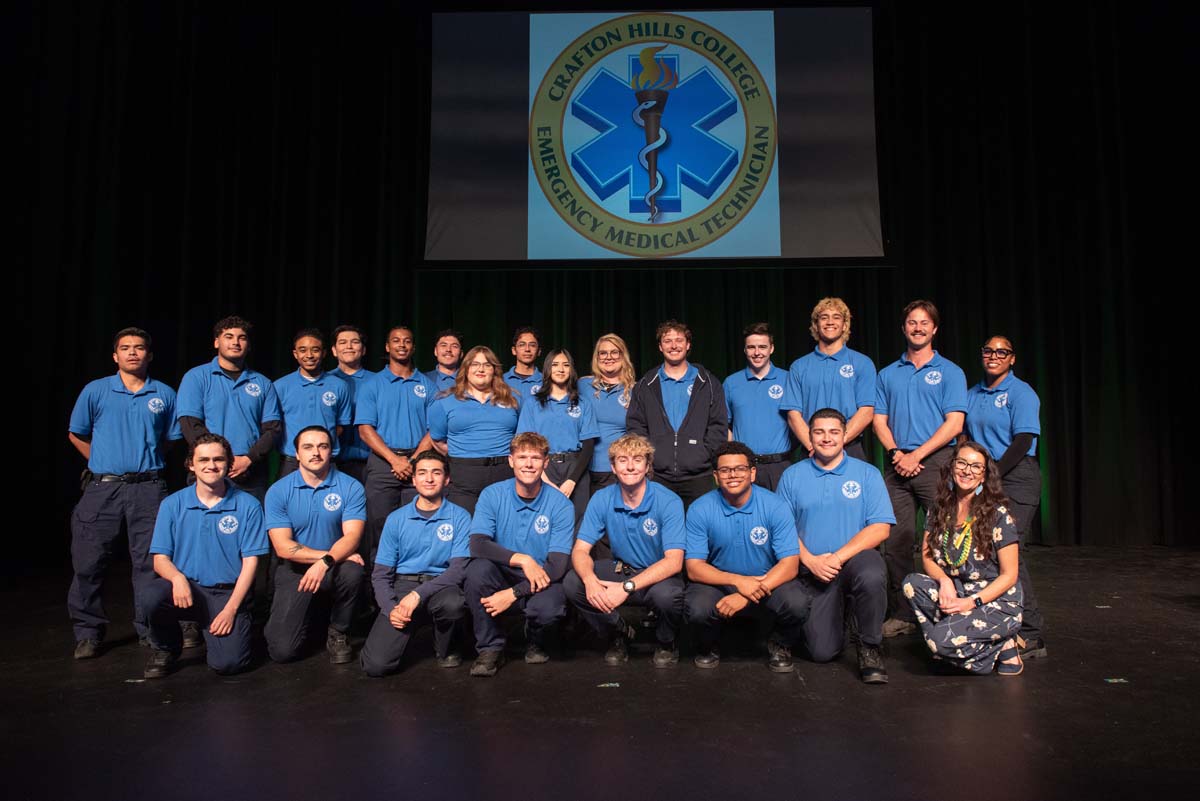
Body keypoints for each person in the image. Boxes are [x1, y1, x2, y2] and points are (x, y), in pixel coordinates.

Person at [67, 327, 182, 659]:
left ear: (149, 355)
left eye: (140, 347)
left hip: (148, 488)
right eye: (125, 348)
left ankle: (149, 628)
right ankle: (88, 632)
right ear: (115, 356)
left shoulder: (164, 393)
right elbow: (76, 433)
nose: (133, 352)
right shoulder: (96, 390)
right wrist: (102, 461)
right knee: (88, 562)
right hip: (103, 489)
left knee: (149, 563)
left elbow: (171, 438)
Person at [777, 409, 894, 684]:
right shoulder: (792, 476)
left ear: (844, 435)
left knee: (872, 573)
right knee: (821, 652)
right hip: (813, 568)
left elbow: (880, 527)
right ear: (810, 436)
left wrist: (838, 558)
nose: (826, 438)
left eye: (833, 432)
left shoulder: (867, 473)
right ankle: (840, 616)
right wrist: (810, 560)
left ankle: (870, 648)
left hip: (854, 561)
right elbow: (782, 530)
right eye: (819, 432)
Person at [873, 300, 968, 637]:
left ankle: (951, 607)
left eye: (924, 323)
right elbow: (878, 420)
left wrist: (919, 456)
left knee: (945, 539)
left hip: (937, 463)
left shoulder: (951, 372)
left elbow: (954, 423)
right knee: (896, 541)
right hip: (898, 463)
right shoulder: (887, 374)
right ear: (904, 328)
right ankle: (903, 613)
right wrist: (897, 452)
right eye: (911, 322)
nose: (917, 328)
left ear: (934, 329)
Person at [142, 434, 268, 678]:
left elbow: (251, 564)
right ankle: (166, 648)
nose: (211, 465)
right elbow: (160, 560)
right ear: (191, 464)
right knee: (150, 596)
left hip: (226, 594)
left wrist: (231, 609)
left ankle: (217, 630)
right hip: (187, 590)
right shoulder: (172, 504)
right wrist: (178, 579)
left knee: (229, 664)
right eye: (204, 460)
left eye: (219, 459)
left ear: (229, 464)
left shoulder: (248, 505)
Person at [902, 441, 1025, 676]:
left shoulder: (997, 514)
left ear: (983, 476)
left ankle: (1000, 643)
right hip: (960, 590)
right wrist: (944, 581)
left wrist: (972, 602)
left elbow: (1010, 576)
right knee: (912, 584)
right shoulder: (938, 508)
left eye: (976, 467)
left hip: (995, 601)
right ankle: (988, 643)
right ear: (952, 466)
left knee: (937, 643)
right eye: (962, 463)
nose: (967, 470)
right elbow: (927, 556)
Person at [683, 442, 808, 672]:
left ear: (752, 473)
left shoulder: (775, 505)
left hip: (767, 581)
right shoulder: (700, 508)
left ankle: (779, 643)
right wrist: (738, 582)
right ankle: (709, 643)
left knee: (797, 603)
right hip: (722, 582)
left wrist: (748, 593)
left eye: (740, 469)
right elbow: (693, 567)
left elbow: (790, 565)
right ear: (715, 476)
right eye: (725, 470)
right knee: (697, 607)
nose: (733, 475)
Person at [565, 434, 685, 667]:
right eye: (622, 460)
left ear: (648, 465)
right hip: (623, 570)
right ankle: (617, 633)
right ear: (613, 466)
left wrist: (626, 588)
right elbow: (580, 550)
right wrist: (590, 580)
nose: (630, 466)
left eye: (637, 459)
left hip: (657, 577)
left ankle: (666, 641)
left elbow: (674, 562)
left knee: (668, 597)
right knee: (573, 582)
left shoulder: (668, 501)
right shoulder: (602, 498)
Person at [464, 433, 574, 677]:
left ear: (546, 464)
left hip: (543, 577)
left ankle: (535, 637)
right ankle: (490, 647)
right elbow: (478, 545)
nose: (528, 464)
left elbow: (556, 566)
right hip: (503, 572)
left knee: (548, 609)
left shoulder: (561, 504)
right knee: (476, 571)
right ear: (511, 460)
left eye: (536, 458)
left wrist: (513, 594)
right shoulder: (492, 495)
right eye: (522, 457)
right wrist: (523, 559)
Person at [965, 335, 1046, 659]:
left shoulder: (1020, 392)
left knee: (1009, 551)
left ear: (1012, 359)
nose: (994, 356)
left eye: (1002, 352)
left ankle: (1031, 633)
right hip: (987, 476)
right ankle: (999, 623)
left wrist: (992, 474)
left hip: (1016, 475)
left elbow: (1024, 440)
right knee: (987, 551)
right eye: (988, 351)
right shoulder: (972, 394)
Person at [360, 450, 472, 676]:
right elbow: (381, 574)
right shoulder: (396, 519)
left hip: (441, 587)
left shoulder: (460, 517)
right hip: (403, 587)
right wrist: (391, 609)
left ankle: (446, 646)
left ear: (447, 479)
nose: (429, 479)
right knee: (376, 666)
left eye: (436, 473)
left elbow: (458, 570)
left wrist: (418, 595)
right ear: (413, 479)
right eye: (422, 473)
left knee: (453, 603)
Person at [263, 426, 366, 664]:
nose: (316, 453)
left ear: (332, 451)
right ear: (297, 454)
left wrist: (326, 562)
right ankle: (303, 618)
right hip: (295, 570)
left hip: (335, 567)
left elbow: (352, 538)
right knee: (282, 651)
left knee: (353, 571)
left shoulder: (350, 487)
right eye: (308, 447)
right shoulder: (279, 490)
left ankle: (338, 630)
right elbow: (283, 547)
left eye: (323, 446)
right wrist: (323, 558)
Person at [176, 315, 281, 500]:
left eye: (242, 338)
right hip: (209, 471)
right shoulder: (196, 377)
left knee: (252, 528)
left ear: (248, 345)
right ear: (216, 342)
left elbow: (272, 430)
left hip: (250, 473)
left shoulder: (263, 383)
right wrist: (219, 458)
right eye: (229, 336)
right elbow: (190, 424)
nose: (236, 342)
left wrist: (248, 459)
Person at [355, 325, 436, 562]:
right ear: (387, 347)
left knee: (419, 527)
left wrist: (411, 461)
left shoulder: (427, 386)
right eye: (396, 341)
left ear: (413, 347)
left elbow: (434, 430)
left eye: (407, 341)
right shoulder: (372, 385)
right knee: (379, 528)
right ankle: (377, 591)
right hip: (383, 465)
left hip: (418, 463)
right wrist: (394, 460)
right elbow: (364, 430)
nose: (402, 345)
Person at [627, 319, 728, 507]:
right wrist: (650, 457)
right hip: (658, 476)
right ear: (660, 346)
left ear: (688, 344)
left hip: (700, 476)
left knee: (699, 532)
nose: (674, 346)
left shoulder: (708, 383)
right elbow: (636, 426)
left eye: (679, 340)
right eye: (667, 341)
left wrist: (702, 455)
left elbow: (718, 425)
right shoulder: (645, 385)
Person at [424, 346, 521, 514]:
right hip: (464, 476)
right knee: (466, 530)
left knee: (503, 529)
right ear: (466, 369)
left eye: (487, 365)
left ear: (495, 370)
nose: (481, 369)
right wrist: (463, 454)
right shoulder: (444, 401)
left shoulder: (513, 399)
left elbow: (521, 437)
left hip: (504, 473)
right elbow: (437, 439)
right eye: (475, 364)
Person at [781, 297, 877, 461]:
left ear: (845, 325)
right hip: (811, 449)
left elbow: (867, 411)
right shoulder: (799, 366)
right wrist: (815, 445)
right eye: (824, 317)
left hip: (850, 448)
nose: (830, 322)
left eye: (836, 317)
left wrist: (836, 442)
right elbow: (793, 414)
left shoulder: (863, 363)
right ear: (815, 325)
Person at [516, 349, 599, 522]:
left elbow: (589, 445)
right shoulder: (533, 403)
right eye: (555, 365)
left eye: (566, 365)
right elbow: (526, 444)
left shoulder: (583, 403)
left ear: (571, 370)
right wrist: (542, 477)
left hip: (575, 467)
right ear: (547, 369)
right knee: (542, 520)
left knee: (578, 521)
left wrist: (572, 480)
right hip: (544, 467)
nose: (560, 369)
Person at [723, 322, 795, 490]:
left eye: (762, 347)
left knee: (781, 515)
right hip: (744, 466)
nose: (757, 353)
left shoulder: (788, 379)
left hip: (780, 466)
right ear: (745, 350)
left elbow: (797, 419)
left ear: (771, 349)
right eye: (751, 347)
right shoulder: (731, 383)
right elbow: (725, 426)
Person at [273, 329, 351, 478]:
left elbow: (341, 424)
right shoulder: (280, 386)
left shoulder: (339, 386)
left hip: (327, 460)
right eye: (303, 350)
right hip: (291, 461)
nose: (309, 355)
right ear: (295, 354)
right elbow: (276, 425)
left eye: (315, 350)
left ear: (324, 353)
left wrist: (322, 445)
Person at [579, 333, 636, 495]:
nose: (608, 357)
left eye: (614, 352)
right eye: (603, 353)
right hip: (583, 470)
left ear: (623, 355)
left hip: (618, 471)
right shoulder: (583, 385)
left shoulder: (635, 390)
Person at [330, 324, 373, 484]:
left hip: (370, 464)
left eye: (354, 342)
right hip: (331, 463)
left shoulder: (378, 382)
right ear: (334, 350)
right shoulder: (324, 382)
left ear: (363, 350)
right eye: (342, 342)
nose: (348, 346)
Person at [503, 326, 543, 399]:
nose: (527, 349)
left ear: (539, 351)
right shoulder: (501, 380)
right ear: (514, 350)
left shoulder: (546, 382)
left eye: (532, 345)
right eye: (522, 345)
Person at [424, 328, 463, 396]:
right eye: (443, 345)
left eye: (454, 346)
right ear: (435, 351)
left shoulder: (470, 380)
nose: (448, 350)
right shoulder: (424, 379)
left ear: (461, 354)